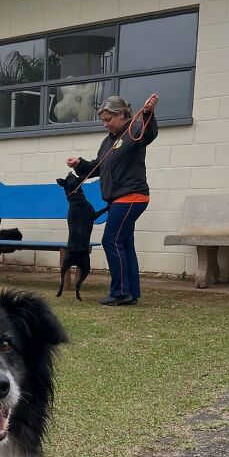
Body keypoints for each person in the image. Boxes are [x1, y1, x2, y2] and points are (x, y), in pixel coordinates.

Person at [67, 93, 159, 306]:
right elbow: (97, 167)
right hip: (120, 199)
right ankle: (131, 293)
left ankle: (120, 292)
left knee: (111, 240)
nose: (105, 124)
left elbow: (148, 134)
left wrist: (147, 114)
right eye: (103, 120)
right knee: (124, 243)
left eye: (108, 119)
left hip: (131, 197)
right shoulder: (108, 142)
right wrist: (79, 163)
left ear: (122, 115)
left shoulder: (133, 130)